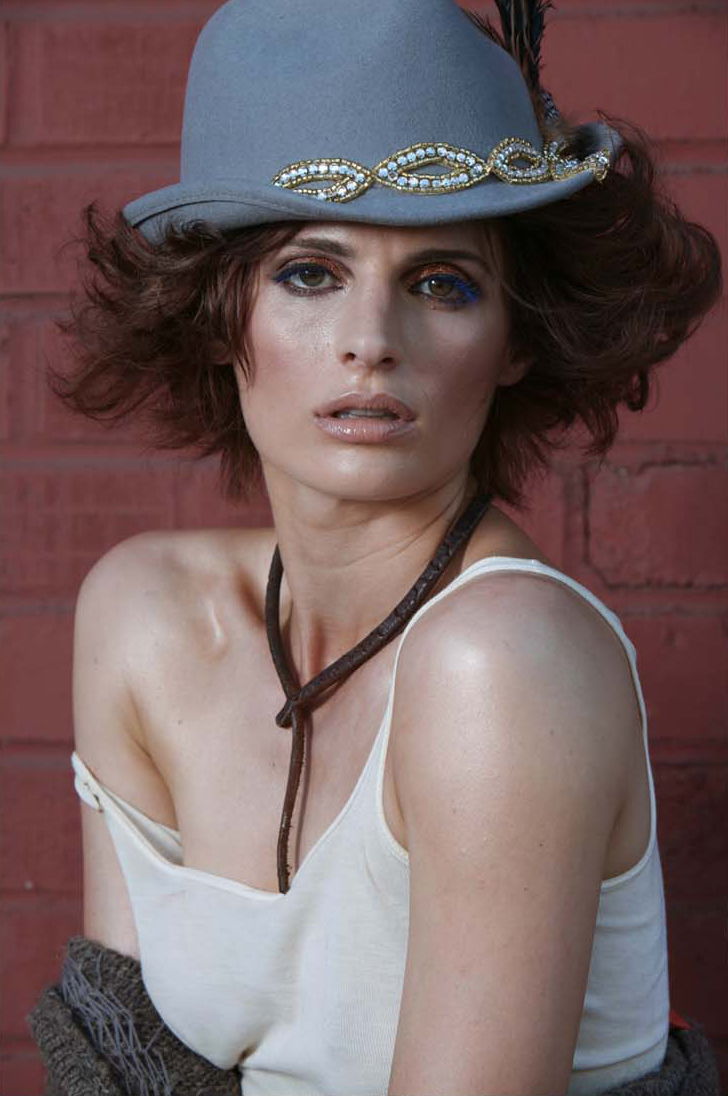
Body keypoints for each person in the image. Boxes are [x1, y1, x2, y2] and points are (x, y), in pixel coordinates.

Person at [29, 0, 722, 1094]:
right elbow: (115, 1067)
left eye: (442, 284)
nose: (370, 342)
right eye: (310, 273)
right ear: (217, 314)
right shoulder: (146, 614)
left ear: (513, 339)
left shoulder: (502, 662)